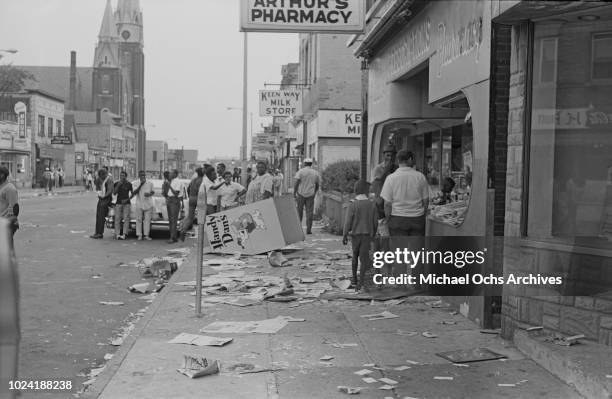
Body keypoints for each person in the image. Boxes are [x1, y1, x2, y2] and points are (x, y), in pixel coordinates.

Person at [380, 150, 430, 236]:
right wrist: (423, 213)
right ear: (410, 160)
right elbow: (426, 200)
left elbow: (387, 204)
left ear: (398, 161)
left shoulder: (390, 178)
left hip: (397, 219)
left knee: (399, 248)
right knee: (416, 248)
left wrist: (388, 219)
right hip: (417, 219)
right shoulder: (420, 177)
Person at [343, 180, 377, 292]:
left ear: (356, 190)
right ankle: (361, 282)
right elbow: (375, 222)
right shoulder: (372, 205)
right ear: (367, 191)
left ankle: (354, 279)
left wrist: (344, 234)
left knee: (355, 256)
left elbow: (348, 222)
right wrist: (374, 233)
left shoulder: (352, 205)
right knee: (364, 259)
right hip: (367, 235)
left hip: (355, 235)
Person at [294, 158, 320, 234]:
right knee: (309, 213)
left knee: (299, 212)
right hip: (310, 195)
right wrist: (314, 192)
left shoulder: (300, 172)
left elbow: (297, 183)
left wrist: (294, 193)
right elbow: (317, 185)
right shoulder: (315, 173)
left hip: (301, 194)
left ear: (304, 163)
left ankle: (298, 229)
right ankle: (308, 230)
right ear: (311, 164)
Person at [179, 167, 204, 242]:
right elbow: (200, 191)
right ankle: (201, 234)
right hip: (197, 198)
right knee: (201, 217)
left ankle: (183, 230)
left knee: (190, 217)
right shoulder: (201, 180)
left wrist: (191, 196)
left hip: (191, 198)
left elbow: (188, 189)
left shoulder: (193, 180)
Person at [131, 170, 155, 241]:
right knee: (139, 220)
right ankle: (139, 235)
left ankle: (146, 235)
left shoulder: (150, 183)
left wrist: (149, 194)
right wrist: (141, 184)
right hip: (139, 203)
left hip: (148, 204)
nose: (143, 176)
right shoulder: (136, 183)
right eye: (141, 175)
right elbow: (134, 192)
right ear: (139, 176)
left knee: (147, 220)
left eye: (143, 175)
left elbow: (153, 192)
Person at [0, 166, 19, 250]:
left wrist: (8, 222)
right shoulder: (2, 187)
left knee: (7, 249)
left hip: (7, 222)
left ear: (2, 175)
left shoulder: (9, 188)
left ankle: (9, 262)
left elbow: (14, 207)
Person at [91, 168, 113, 239]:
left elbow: (110, 190)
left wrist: (104, 197)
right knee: (98, 216)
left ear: (103, 174)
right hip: (102, 199)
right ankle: (97, 232)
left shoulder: (109, 180)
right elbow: (98, 188)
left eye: (101, 176)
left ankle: (100, 233)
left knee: (101, 217)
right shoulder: (102, 180)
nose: (100, 177)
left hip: (106, 200)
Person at [113, 171, 133, 240]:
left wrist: (127, 199)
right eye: (121, 175)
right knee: (117, 218)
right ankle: (117, 234)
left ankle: (124, 234)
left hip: (127, 203)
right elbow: (114, 193)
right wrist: (118, 185)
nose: (122, 177)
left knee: (126, 219)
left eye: (123, 175)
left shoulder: (129, 184)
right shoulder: (116, 183)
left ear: (126, 176)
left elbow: (132, 194)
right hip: (118, 203)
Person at [165, 169, 184, 243]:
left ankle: (173, 237)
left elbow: (176, 193)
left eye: (171, 173)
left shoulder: (178, 182)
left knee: (173, 220)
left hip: (174, 200)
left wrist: (169, 185)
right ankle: (173, 236)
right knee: (170, 220)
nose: (169, 174)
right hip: (170, 200)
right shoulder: (172, 181)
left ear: (175, 174)